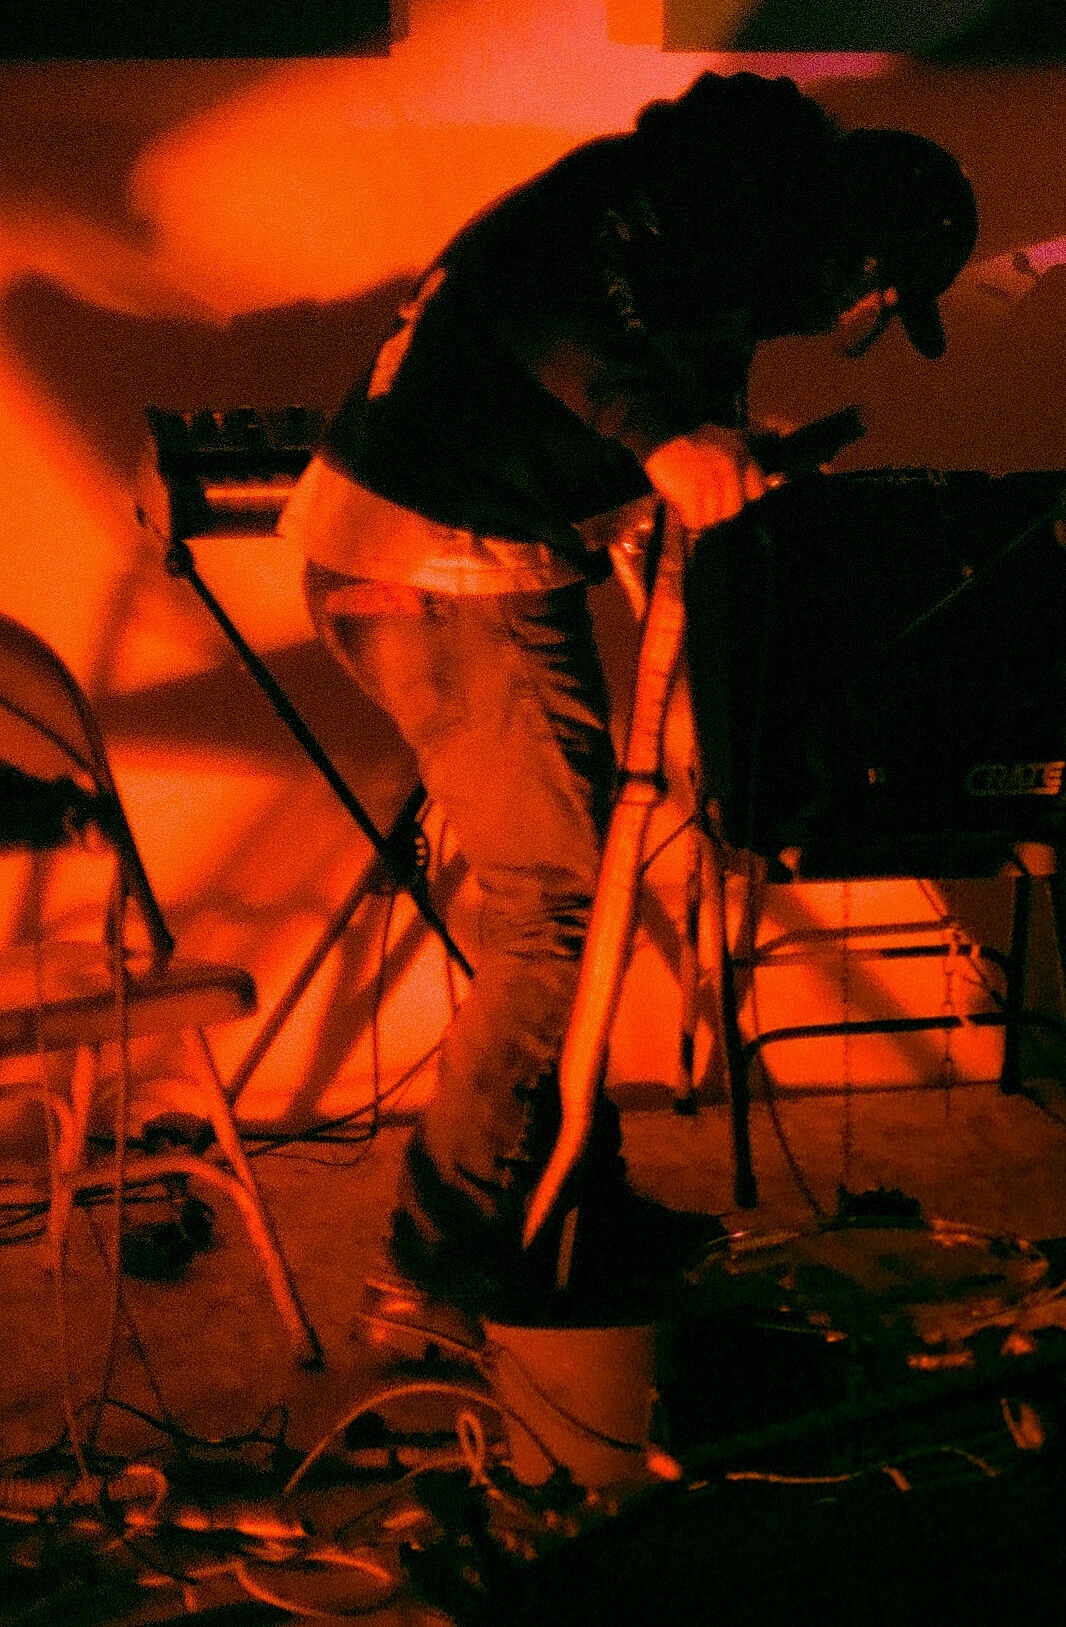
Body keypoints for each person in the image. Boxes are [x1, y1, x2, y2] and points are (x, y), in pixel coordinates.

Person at [282, 72, 976, 1316]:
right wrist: (663, 439)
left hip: (472, 558)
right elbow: (543, 303)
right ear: (855, 251)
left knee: (583, 902)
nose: (863, 320)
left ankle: (575, 1210)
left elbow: (646, 444)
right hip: (432, 566)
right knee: (551, 911)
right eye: (880, 297)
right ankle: (434, 1269)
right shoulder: (633, 206)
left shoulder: (710, 259)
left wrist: (697, 472)